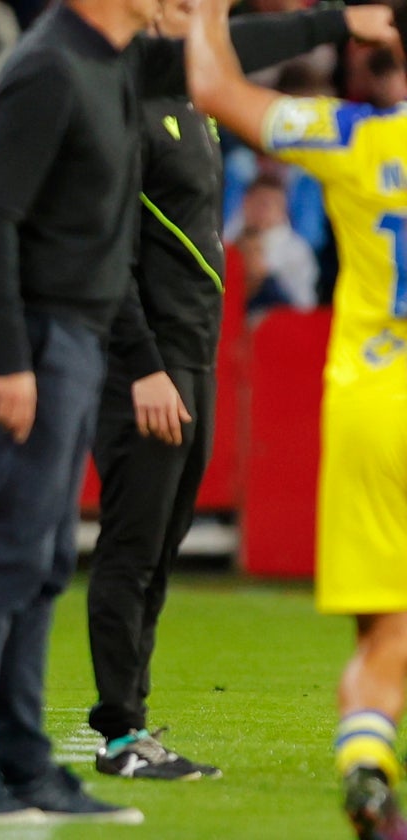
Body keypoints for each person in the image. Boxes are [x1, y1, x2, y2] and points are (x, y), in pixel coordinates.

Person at [0, 0, 377, 823]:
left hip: (89, 341)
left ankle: (25, 767)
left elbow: (229, 49)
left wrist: (342, 21)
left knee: (49, 558)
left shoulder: (120, 66)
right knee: (13, 559)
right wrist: (20, 358)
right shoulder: (51, 65)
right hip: (54, 345)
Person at [86, 0, 372, 782]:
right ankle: (118, 731)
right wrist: (141, 363)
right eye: (180, 8)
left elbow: (245, 46)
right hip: (146, 362)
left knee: (162, 545)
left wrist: (343, 22)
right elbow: (102, 255)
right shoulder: (123, 100)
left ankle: (132, 717)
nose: (198, 21)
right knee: (131, 544)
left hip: (195, 353)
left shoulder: (191, 97)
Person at [186, 1, 405, 837]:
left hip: (374, 402)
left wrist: (209, 6)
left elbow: (210, 85)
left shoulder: (357, 135)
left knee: (385, 632)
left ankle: (365, 760)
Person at [232, 172, 319, 320]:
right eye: (258, 203)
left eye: (270, 205)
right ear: (246, 202)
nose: (262, 211)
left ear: (282, 210)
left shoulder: (297, 251)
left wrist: (261, 276)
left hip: (281, 324)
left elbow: (304, 307)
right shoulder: (228, 236)